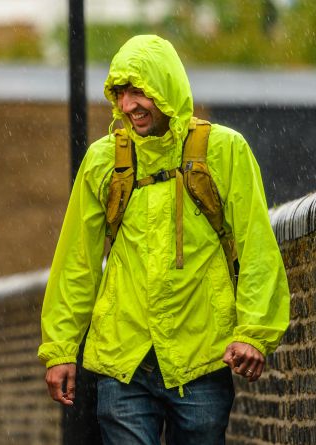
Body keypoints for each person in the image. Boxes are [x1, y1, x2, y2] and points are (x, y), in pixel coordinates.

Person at [38, 35, 289, 444]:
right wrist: (60, 348)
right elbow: (76, 261)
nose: (127, 105)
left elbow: (257, 246)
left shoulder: (225, 150)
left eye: (139, 91)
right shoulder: (104, 160)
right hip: (123, 361)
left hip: (202, 359)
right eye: (120, 93)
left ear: (166, 88)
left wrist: (254, 330)